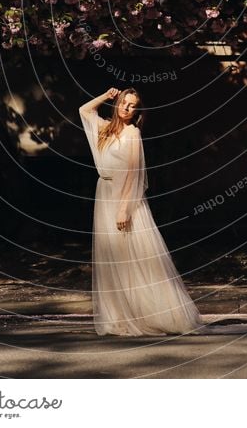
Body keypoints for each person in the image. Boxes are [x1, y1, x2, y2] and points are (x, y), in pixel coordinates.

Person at [79, 86, 204, 337]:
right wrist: (105, 95)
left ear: (137, 111)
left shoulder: (132, 133)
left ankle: (152, 313)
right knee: (111, 257)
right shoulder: (104, 128)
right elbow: (84, 110)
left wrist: (124, 208)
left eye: (132, 105)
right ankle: (119, 315)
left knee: (133, 257)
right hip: (104, 193)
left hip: (124, 198)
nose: (126, 108)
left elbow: (134, 174)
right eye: (124, 103)